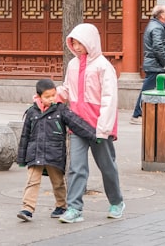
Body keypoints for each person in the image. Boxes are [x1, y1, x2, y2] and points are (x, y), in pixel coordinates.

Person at [55, 23, 125, 224]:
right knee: (76, 167)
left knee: (107, 166)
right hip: (76, 124)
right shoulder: (73, 65)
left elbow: (109, 98)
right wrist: (52, 97)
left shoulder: (104, 66)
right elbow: (67, 89)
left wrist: (103, 128)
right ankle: (74, 207)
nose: (76, 47)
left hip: (98, 127)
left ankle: (116, 202)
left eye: (80, 43)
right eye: (74, 43)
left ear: (91, 42)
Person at [16, 78, 97, 222]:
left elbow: (76, 123)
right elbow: (25, 135)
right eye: (47, 97)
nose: (51, 99)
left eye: (53, 95)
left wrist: (94, 134)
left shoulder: (61, 110)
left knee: (58, 182)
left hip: (55, 154)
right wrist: (21, 158)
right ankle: (27, 209)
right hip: (35, 154)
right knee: (32, 181)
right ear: (39, 96)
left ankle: (61, 206)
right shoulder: (31, 112)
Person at [129, 4, 165, 125]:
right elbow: (158, 48)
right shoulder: (157, 28)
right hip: (155, 65)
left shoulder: (156, 25)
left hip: (156, 64)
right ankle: (137, 114)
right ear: (162, 15)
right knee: (147, 90)